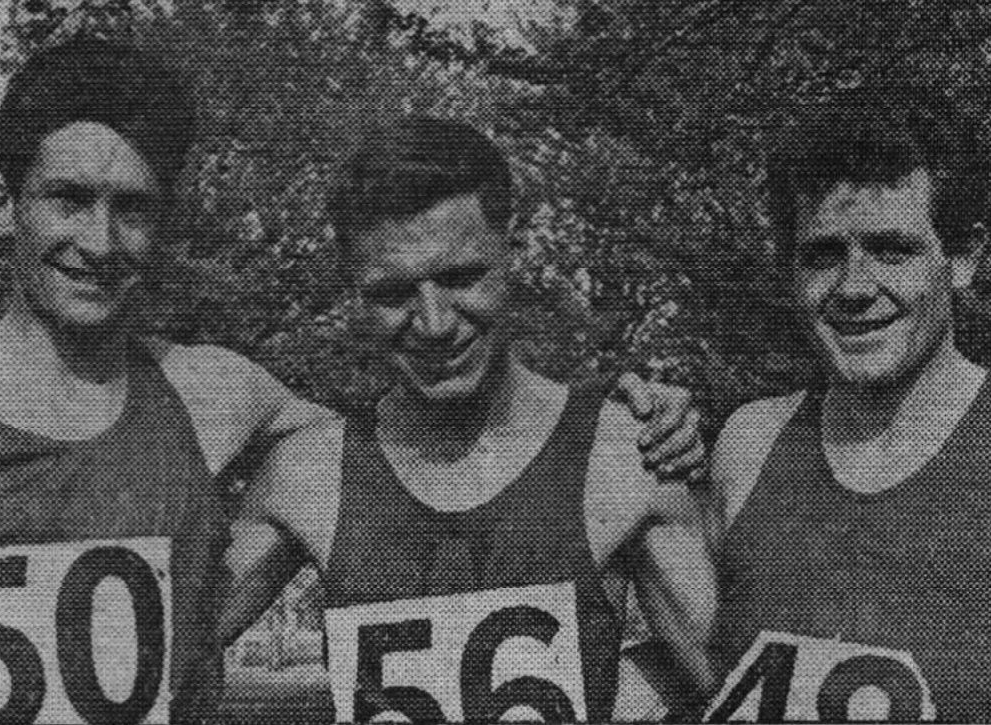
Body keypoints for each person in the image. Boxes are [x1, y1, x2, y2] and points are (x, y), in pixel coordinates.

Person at [0, 40, 705, 724]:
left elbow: (734, 675)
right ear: (1, 205)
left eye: (132, 208)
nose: (99, 241)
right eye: (68, 199)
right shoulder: (305, 469)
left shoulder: (220, 396)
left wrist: (638, 410)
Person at [223, 117, 717, 723]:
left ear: (514, 252)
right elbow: (151, 664)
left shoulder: (623, 455)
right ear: (354, 293)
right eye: (393, 293)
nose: (434, 324)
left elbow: (744, 682)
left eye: (461, 278)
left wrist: (623, 691)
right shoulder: (309, 474)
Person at [706, 87, 991, 723]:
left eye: (892, 250)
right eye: (823, 255)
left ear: (963, 258)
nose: (855, 288)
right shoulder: (750, 444)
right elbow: (703, 674)